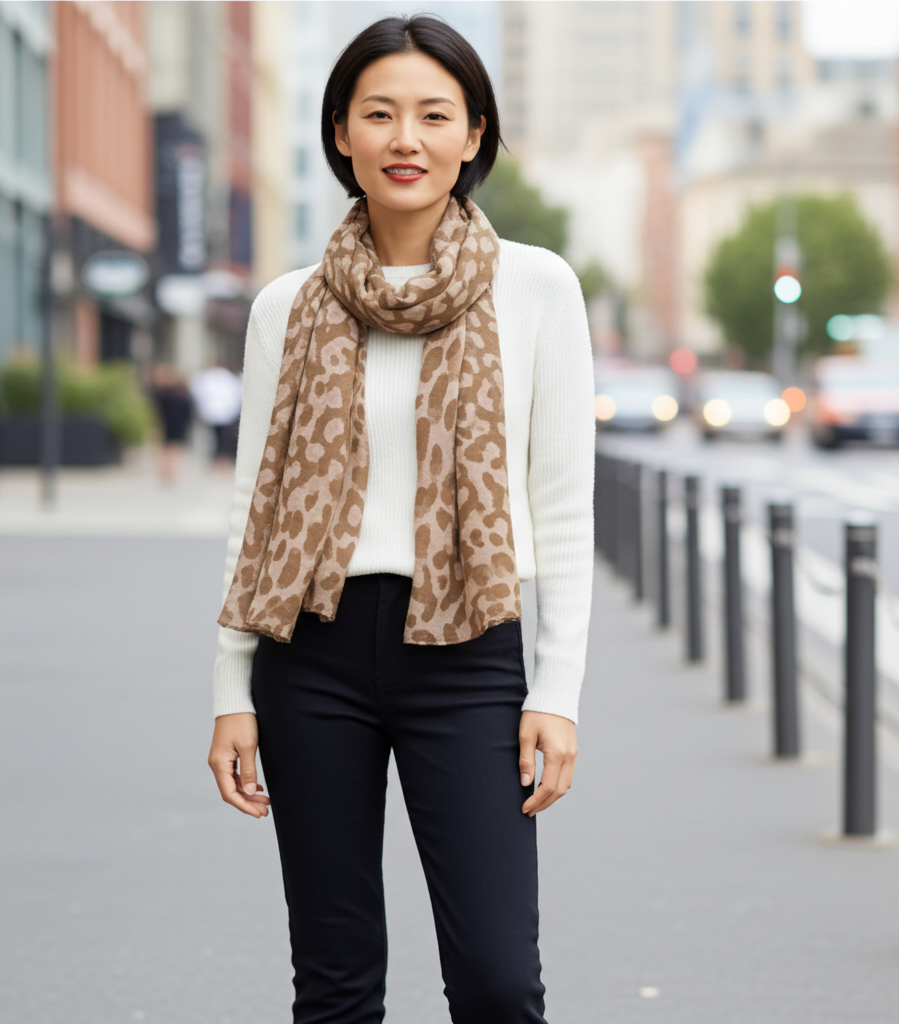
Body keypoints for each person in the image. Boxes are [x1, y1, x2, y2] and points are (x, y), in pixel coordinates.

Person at [207, 15, 595, 1023]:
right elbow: (255, 510)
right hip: (312, 652)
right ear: (342, 133)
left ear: (474, 136)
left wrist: (557, 689)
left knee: (498, 983)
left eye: (433, 115)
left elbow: (560, 507)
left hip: (468, 652)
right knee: (334, 984)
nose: (405, 138)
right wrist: (230, 689)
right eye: (379, 114)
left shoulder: (536, 288)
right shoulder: (286, 306)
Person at [189, 361, 242, 467]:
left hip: (225, 414)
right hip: (215, 414)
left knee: (224, 439)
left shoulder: (226, 377)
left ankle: (222, 461)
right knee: (216, 439)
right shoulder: (205, 378)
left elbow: (235, 394)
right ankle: (218, 460)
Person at [148, 363, 193, 485]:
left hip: (172, 424)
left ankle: (168, 472)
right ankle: (167, 472)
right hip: (165, 424)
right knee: (167, 449)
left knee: (170, 449)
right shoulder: (159, 394)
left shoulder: (161, 395)